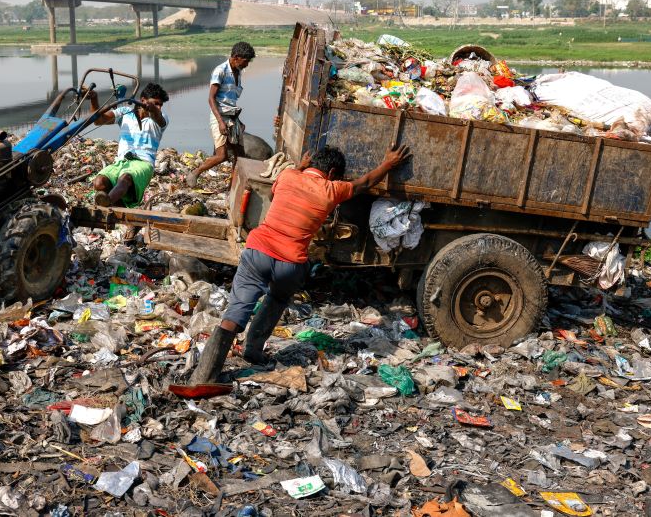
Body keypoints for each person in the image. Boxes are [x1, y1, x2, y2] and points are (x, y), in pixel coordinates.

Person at [187, 144, 411, 385]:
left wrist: (299, 167)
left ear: (311, 164)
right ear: (333, 172)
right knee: (277, 300)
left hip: (259, 252)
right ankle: (253, 350)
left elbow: (274, 196)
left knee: (237, 310)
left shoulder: (287, 175)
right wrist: (388, 163)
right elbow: (365, 183)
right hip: (290, 264)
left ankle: (204, 376)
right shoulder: (332, 190)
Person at [185, 41, 255, 187]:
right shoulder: (221, 71)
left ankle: (234, 185)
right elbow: (211, 99)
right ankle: (195, 173)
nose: (247, 64)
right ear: (236, 57)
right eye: (245, 61)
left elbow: (230, 101)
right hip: (220, 116)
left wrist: (238, 121)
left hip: (232, 116)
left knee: (240, 155)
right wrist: (220, 122)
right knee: (221, 155)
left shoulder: (238, 72)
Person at [89, 82, 169, 208]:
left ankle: (106, 204)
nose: (159, 107)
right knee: (99, 182)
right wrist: (94, 98)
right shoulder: (125, 112)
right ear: (143, 100)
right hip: (122, 161)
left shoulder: (160, 119)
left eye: (160, 105)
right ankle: (123, 215)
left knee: (125, 178)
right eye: (156, 103)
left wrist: (153, 108)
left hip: (143, 163)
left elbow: (158, 116)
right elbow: (98, 120)